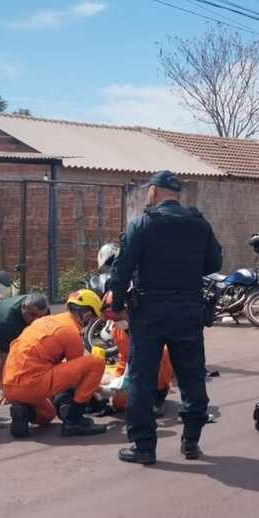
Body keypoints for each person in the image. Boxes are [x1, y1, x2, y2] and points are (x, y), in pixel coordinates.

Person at [110, 170, 222, 465]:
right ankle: (191, 442)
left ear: (155, 191)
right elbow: (214, 262)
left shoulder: (143, 224)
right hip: (188, 311)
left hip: (149, 312)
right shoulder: (199, 224)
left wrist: (118, 304)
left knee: (142, 380)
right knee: (192, 378)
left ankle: (144, 446)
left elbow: (121, 271)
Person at [3, 289, 108, 438]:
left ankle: (23, 410)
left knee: (48, 414)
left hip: (9, 385)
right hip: (31, 384)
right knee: (96, 362)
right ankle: (74, 421)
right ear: (87, 315)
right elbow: (78, 377)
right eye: (91, 319)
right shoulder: (71, 332)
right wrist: (99, 390)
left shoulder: (44, 321)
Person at [0, 293, 50, 397]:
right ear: (23, 307)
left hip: (11, 332)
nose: (37, 320)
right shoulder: (6, 321)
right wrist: (4, 391)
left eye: (41, 316)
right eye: (33, 315)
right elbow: (3, 360)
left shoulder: (44, 312)